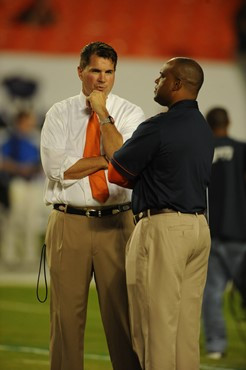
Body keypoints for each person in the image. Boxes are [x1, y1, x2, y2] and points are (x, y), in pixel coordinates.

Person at [89, 57, 214, 370]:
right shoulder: (202, 127)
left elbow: (117, 171)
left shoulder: (160, 126)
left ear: (176, 84)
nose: (155, 81)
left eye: (161, 76)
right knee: (185, 333)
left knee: (154, 327)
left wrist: (104, 116)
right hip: (198, 229)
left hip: (164, 229)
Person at [40, 41, 145, 370]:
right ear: (80, 71)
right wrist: (105, 159)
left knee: (124, 320)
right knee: (65, 322)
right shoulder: (59, 112)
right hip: (69, 223)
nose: (102, 79)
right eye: (95, 71)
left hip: (117, 223)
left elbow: (125, 163)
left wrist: (102, 115)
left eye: (109, 72)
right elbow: (57, 170)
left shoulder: (130, 113)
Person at [202, 107, 246, 359]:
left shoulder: (203, 151)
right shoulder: (242, 150)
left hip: (212, 232)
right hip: (240, 234)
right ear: (228, 122)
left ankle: (216, 346)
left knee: (212, 293)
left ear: (208, 125)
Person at [0, 110, 43, 266]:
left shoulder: (34, 139)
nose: (30, 124)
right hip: (16, 182)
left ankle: (30, 257)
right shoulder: (10, 139)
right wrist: (20, 168)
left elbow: (42, 160)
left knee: (31, 220)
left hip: (33, 183)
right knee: (14, 219)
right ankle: (10, 256)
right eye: (27, 121)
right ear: (19, 122)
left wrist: (35, 168)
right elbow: (3, 161)